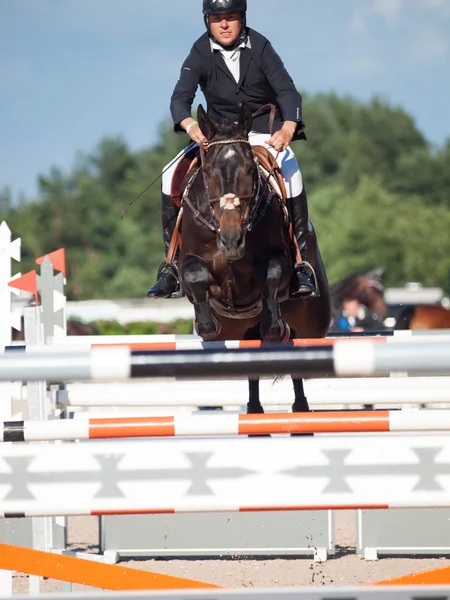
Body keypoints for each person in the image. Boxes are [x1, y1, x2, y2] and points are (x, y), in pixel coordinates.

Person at [147, 0, 315, 299]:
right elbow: (179, 98)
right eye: (216, 18)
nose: (224, 25)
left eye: (230, 17)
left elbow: (287, 90)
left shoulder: (261, 46)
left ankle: (301, 263)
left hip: (261, 131)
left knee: (291, 172)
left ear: (241, 19)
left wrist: (288, 126)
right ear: (207, 22)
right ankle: (171, 266)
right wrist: (191, 126)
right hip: (219, 137)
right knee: (167, 173)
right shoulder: (200, 51)